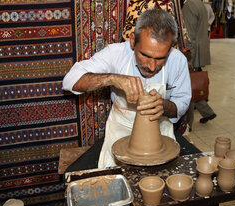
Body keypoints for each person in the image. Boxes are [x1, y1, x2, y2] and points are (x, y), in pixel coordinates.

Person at [63, 8, 191, 169]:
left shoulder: (178, 61)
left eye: (160, 58)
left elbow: (182, 103)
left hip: (160, 132)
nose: (151, 67)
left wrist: (163, 106)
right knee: (79, 173)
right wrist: (112, 79)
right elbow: (69, 81)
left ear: (171, 48)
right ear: (132, 41)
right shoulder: (116, 53)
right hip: (120, 129)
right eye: (145, 55)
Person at [182, 0, 216, 130]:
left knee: (187, 87)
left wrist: (187, 56)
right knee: (192, 84)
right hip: (199, 48)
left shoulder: (189, 5)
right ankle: (207, 112)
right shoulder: (200, 3)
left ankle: (187, 124)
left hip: (192, 51)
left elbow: (189, 34)